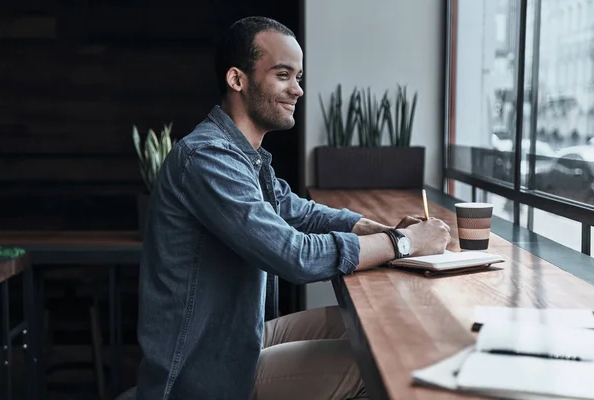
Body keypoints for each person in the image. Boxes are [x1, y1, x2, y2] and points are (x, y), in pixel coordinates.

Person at [135, 16, 451, 400]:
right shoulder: (207, 158)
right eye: (283, 75)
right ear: (238, 79)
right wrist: (403, 243)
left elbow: (300, 212)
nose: (298, 89)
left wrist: (378, 229)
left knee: (363, 325)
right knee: (381, 364)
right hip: (202, 376)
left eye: (298, 77)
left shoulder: (242, 156)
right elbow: (293, 255)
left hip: (235, 341)